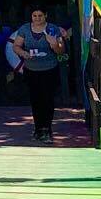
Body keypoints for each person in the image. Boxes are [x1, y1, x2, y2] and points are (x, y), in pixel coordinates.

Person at [8, 7, 69, 143]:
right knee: (36, 101)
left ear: (45, 15)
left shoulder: (53, 29)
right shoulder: (24, 29)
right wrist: (23, 53)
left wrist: (55, 45)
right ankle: (38, 129)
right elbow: (16, 46)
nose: (37, 18)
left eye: (40, 15)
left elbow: (61, 50)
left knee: (48, 100)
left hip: (49, 69)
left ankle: (47, 129)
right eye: (34, 16)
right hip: (31, 70)